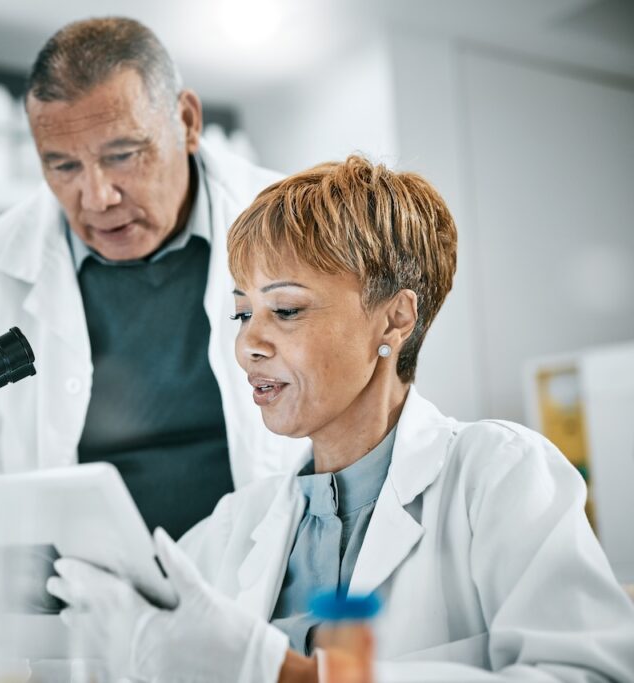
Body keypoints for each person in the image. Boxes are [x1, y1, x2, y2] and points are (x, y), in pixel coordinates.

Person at [46, 156, 634, 682]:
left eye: (286, 309)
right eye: (241, 313)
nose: (248, 343)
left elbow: (589, 674)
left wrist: (288, 674)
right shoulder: (233, 527)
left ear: (394, 319)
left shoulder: (497, 476)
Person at [0, 17, 306, 538]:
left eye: (122, 155)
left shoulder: (303, 236)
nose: (97, 197)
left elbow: (359, 425)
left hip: (270, 591)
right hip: (75, 607)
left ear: (187, 121)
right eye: (63, 167)